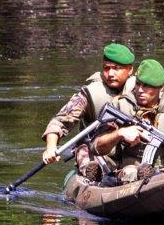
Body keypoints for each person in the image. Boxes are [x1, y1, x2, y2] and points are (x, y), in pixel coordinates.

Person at [90, 58, 164, 185]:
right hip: (129, 172)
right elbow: (96, 147)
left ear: (161, 88)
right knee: (131, 172)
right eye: (138, 84)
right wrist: (120, 133)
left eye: (146, 86)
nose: (140, 90)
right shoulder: (120, 106)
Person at [41, 43, 136, 173]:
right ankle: (92, 175)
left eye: (116, 68)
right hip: (97, 153)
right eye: (106, 68)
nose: (110, 74)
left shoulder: (142, 92)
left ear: (130, 70)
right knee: (89, 159)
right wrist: (51, 147)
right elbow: (59, 122)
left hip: (130, 154)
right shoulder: (89, 94)